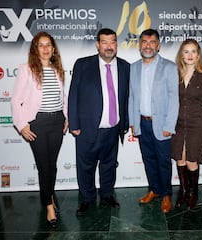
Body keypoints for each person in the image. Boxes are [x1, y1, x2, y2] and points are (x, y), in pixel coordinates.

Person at [68, 28, 130, 216]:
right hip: (87, 128)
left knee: (109, 165)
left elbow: (126, 97)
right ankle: (87, 199)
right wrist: (74, 124)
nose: (109, 46)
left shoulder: (125, 66)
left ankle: (107, 194)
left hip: (113, 129)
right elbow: (73, 95)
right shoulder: (83, 64)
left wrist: (124, 123)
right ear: (97, 44)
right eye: (104, 42)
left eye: (112, 42)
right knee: (85, 166)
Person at [11, 31, 68, 228]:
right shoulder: (26, 69)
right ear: (35, 49)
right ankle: (49, 205)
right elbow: (16, 99)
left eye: (48, 45)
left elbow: (63, 97)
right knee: (44, 166)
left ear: (53, 49)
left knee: (52, 165)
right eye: (40, 45)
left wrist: (66, 117)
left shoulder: (57, 69)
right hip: (38, 123)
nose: (45, 48)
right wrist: (21, 125)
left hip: (57, 121)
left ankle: (49, 193)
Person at [128, 29, 179, 213]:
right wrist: (133, 122)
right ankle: (154, 190)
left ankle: (166, 194)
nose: (147, 45)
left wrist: (169, 125)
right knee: (148, 159)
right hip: (142, 123)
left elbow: (174, 98)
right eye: (144, 42)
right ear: (139, 44)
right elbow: (132, 97)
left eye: (151, 42)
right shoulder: (133, 68)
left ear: (158, 45)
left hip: (162, 124)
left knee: (163, 161)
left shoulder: (169, 67)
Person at [171, 39, 202, 210]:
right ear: (181, 54)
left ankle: (193, 192)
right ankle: (184, 190)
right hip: (177, 122)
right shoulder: (174, 74)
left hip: (197, 123)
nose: (189, 55)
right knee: (180, 158)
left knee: (191, 160)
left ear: (198, 55)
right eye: (186, 51)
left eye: (193, 51)